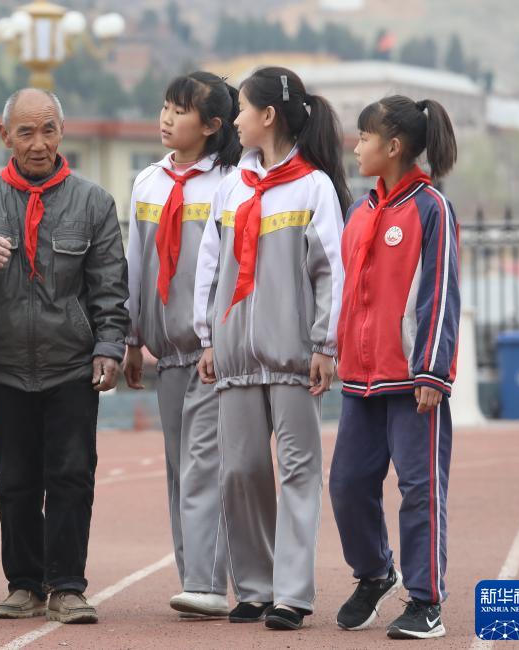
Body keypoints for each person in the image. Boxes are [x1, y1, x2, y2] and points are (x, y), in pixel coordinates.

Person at [0, 88, 129, 624]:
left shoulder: (93, 202)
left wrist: (109, 346)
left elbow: (110, 288)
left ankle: (68, 585)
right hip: (5, 367)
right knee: (16, 480)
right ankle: (24, 584)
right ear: (5, 136)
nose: (38, 142)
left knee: (72, 475)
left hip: (71, 364)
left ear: (61, 132)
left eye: (48, 129)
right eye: (25, 131)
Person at [193, 66, 349, 631]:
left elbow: (330, 271)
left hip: (293, 358)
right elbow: (210, 266)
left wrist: (325, 343)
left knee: (299, 472)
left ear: (268, 115)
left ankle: (292, 594)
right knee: (241, 471)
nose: (234, 119)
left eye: (241, 108)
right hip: (235, 355)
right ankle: (255, 588)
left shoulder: (314, 187)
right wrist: (208, 336)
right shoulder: (232, 187)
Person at [330, 95, 459, 640]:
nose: (357, 146)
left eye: (365, 137)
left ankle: (426, 601)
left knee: (419, 489)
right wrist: (331, 350)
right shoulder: (360, 211)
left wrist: (432, 371)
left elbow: (441, 293)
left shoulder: (431, 208)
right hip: (359, 379)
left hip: (412, 381)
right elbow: (347, 293)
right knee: (346, 485)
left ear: (394, 146)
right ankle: (376, 572)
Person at [123, 71, 240, 618]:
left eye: (180, 110)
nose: (167, 118)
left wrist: (221, 335)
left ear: (212, 125)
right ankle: (193, 574)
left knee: (203, 464)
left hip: (213, 351)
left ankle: (208, 581)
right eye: (165, 106)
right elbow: (135, 263)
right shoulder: (148, 183)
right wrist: (130, 339)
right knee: (178, 467)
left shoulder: (231, 184)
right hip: (165, 351)